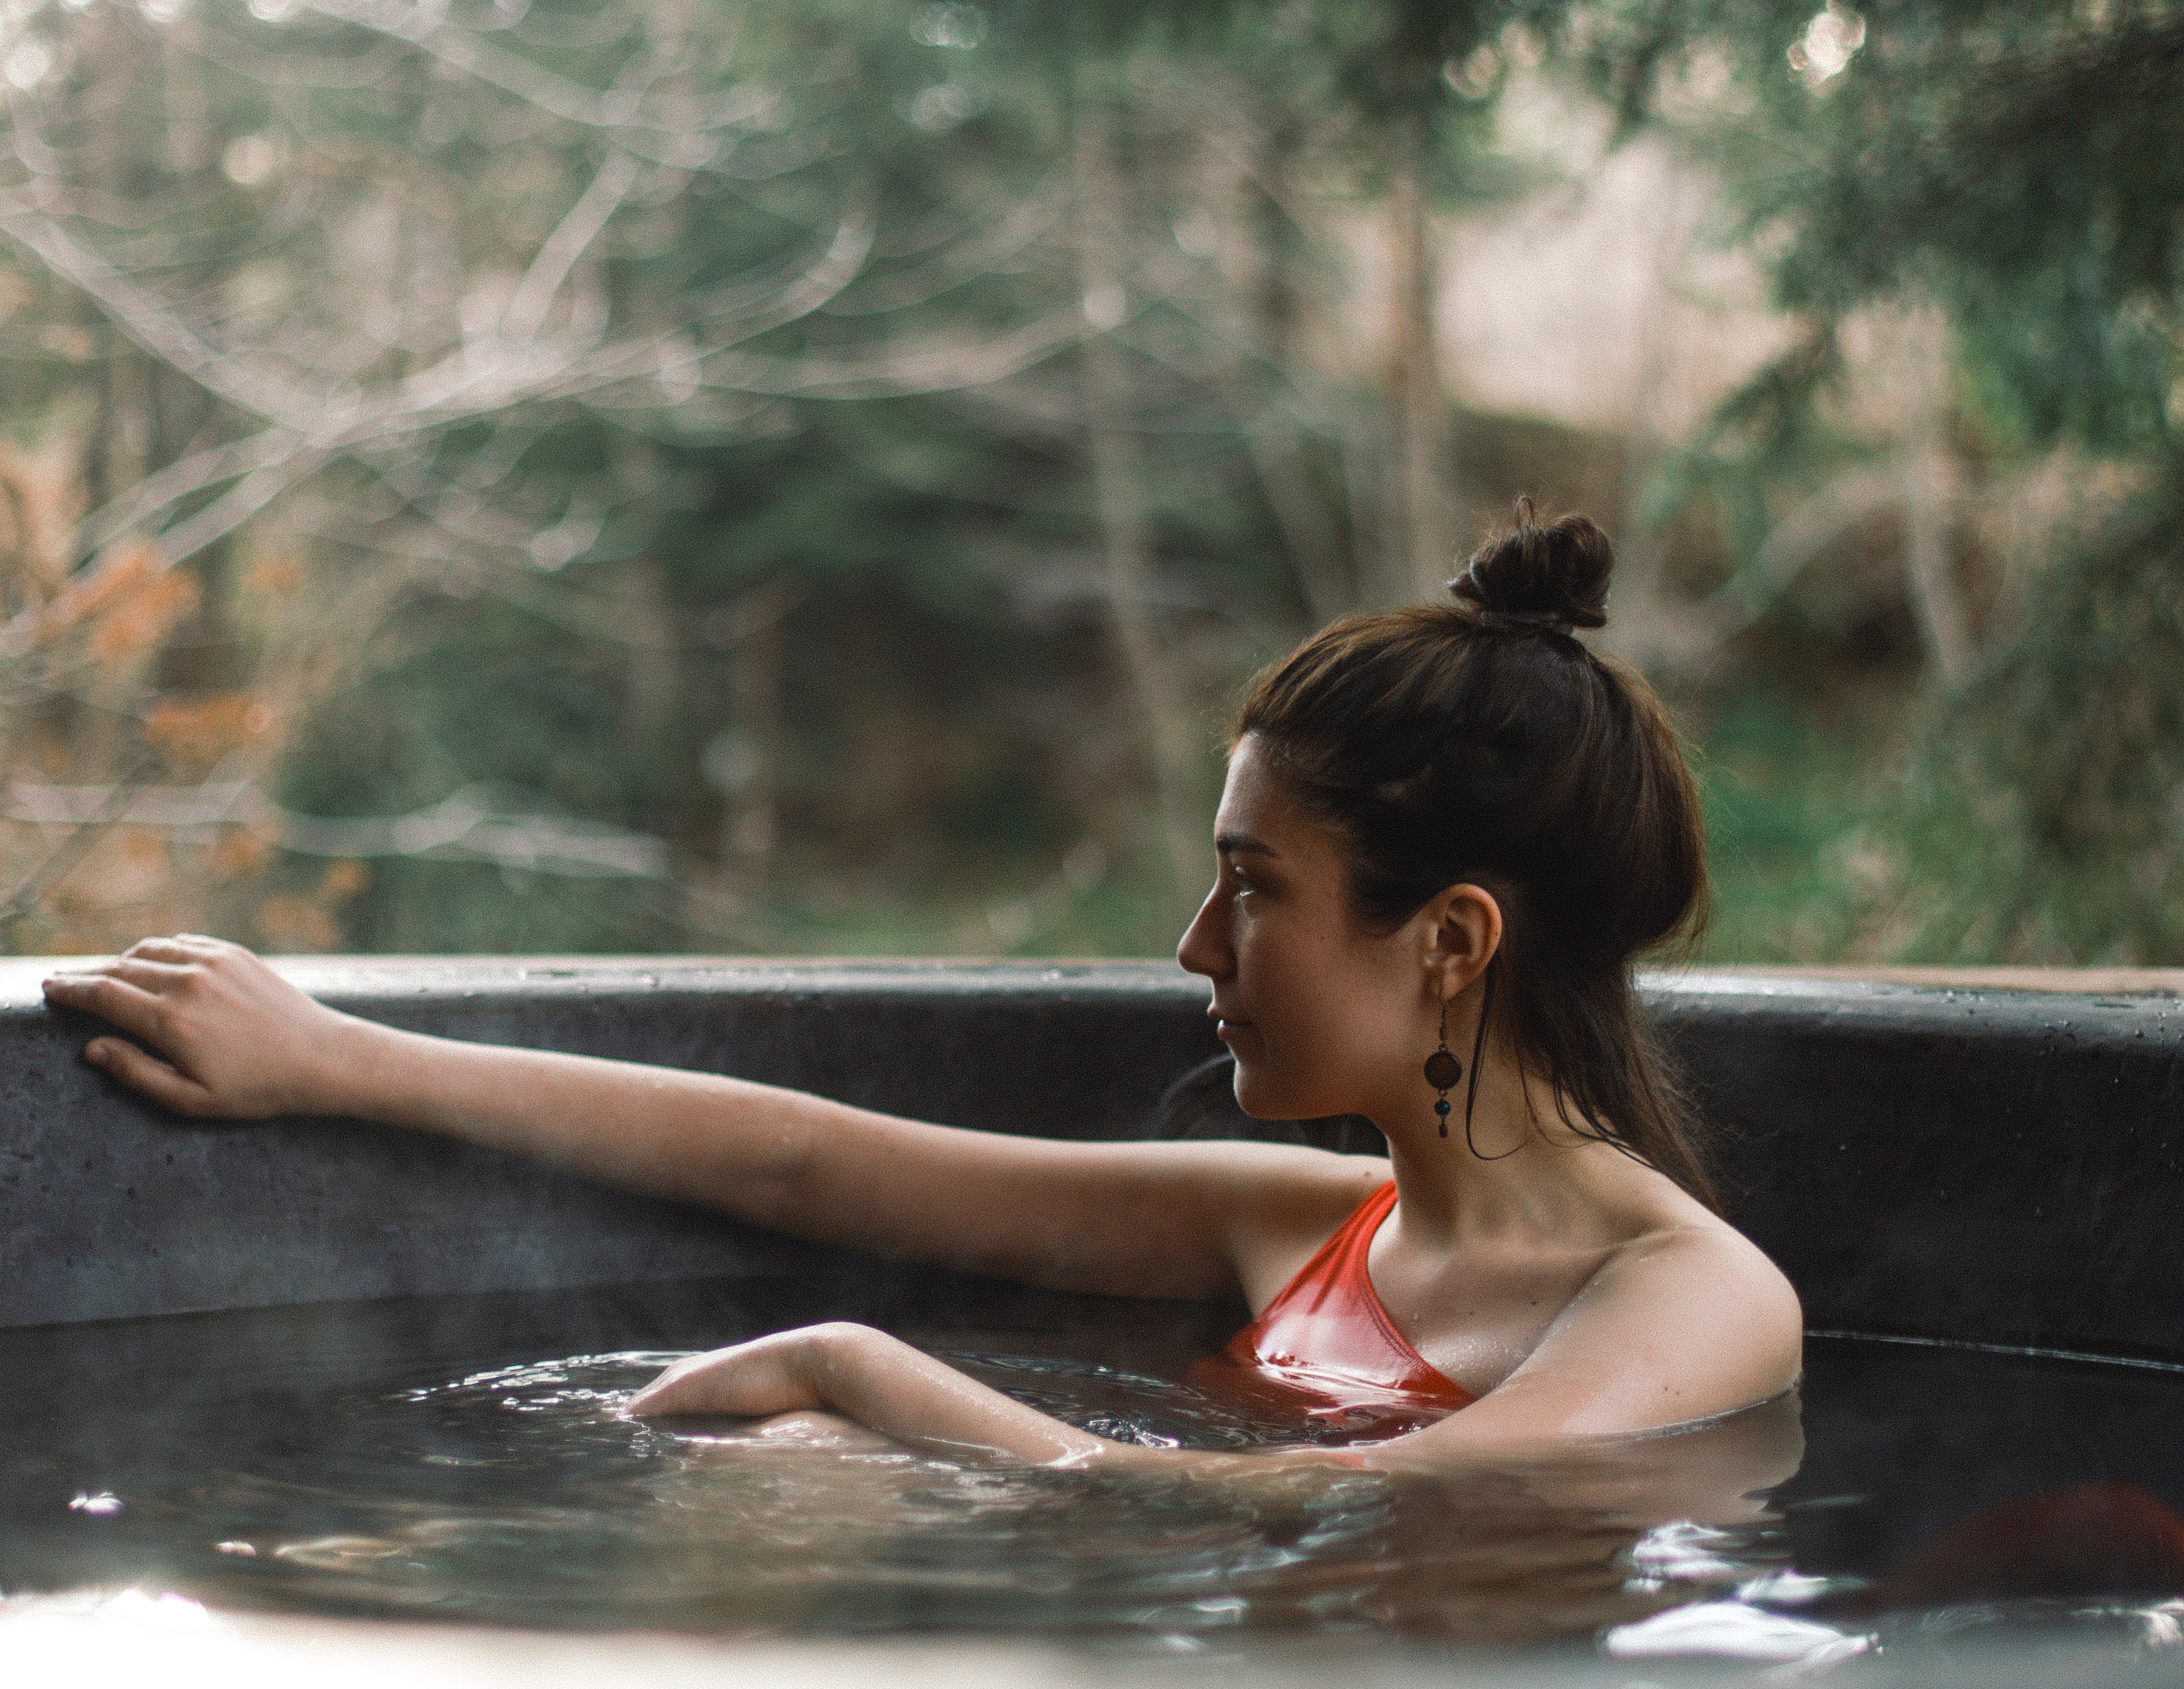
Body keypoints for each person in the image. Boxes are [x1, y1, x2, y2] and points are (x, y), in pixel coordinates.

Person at [42, 505, 1800, 1476]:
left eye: (1253, 890)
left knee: (814, 1420)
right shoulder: (1317, 1222)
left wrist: (854, 1360)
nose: (1197, 946)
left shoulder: (1698, 1304)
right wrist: (336, 1061)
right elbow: (805, 1167)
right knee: (789, 1457)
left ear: (1452, 942)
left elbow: (1292, 1520)